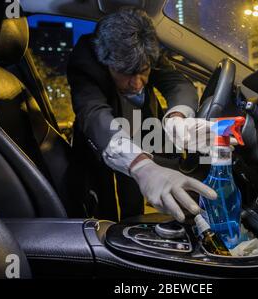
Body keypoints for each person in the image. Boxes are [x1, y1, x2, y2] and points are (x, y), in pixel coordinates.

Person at [67, 7, 216, 222]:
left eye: (143, 71)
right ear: (106, 62)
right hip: (101, 136)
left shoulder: (147, 50)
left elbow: (177, 83)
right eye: (126, 73)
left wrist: (177, 118)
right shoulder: (85, 57)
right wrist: (141, 166)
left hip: (141, 127)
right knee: (104, 203)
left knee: (135, 199)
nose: (137, 84)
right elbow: (92, 111)